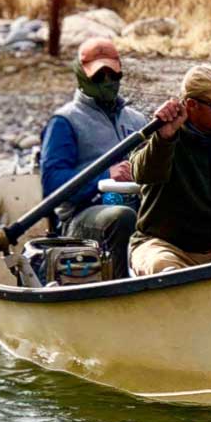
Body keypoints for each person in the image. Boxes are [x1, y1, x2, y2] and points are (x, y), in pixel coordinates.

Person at [39, 38, 148, 278]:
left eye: (113, 75)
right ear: (82, 76)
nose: (108, 82)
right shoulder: (65, 121)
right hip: (80, 215)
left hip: (138, 204)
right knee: (120, 217)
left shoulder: (138, 121)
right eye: (99, 76)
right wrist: (105, 175)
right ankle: (120, 289)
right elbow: (52, 183)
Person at [127, 65, 211, 275]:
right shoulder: (162, 137)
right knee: (163, 269)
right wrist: (163, 138)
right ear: (192, 105)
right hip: (165, 247)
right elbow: (142, 173)